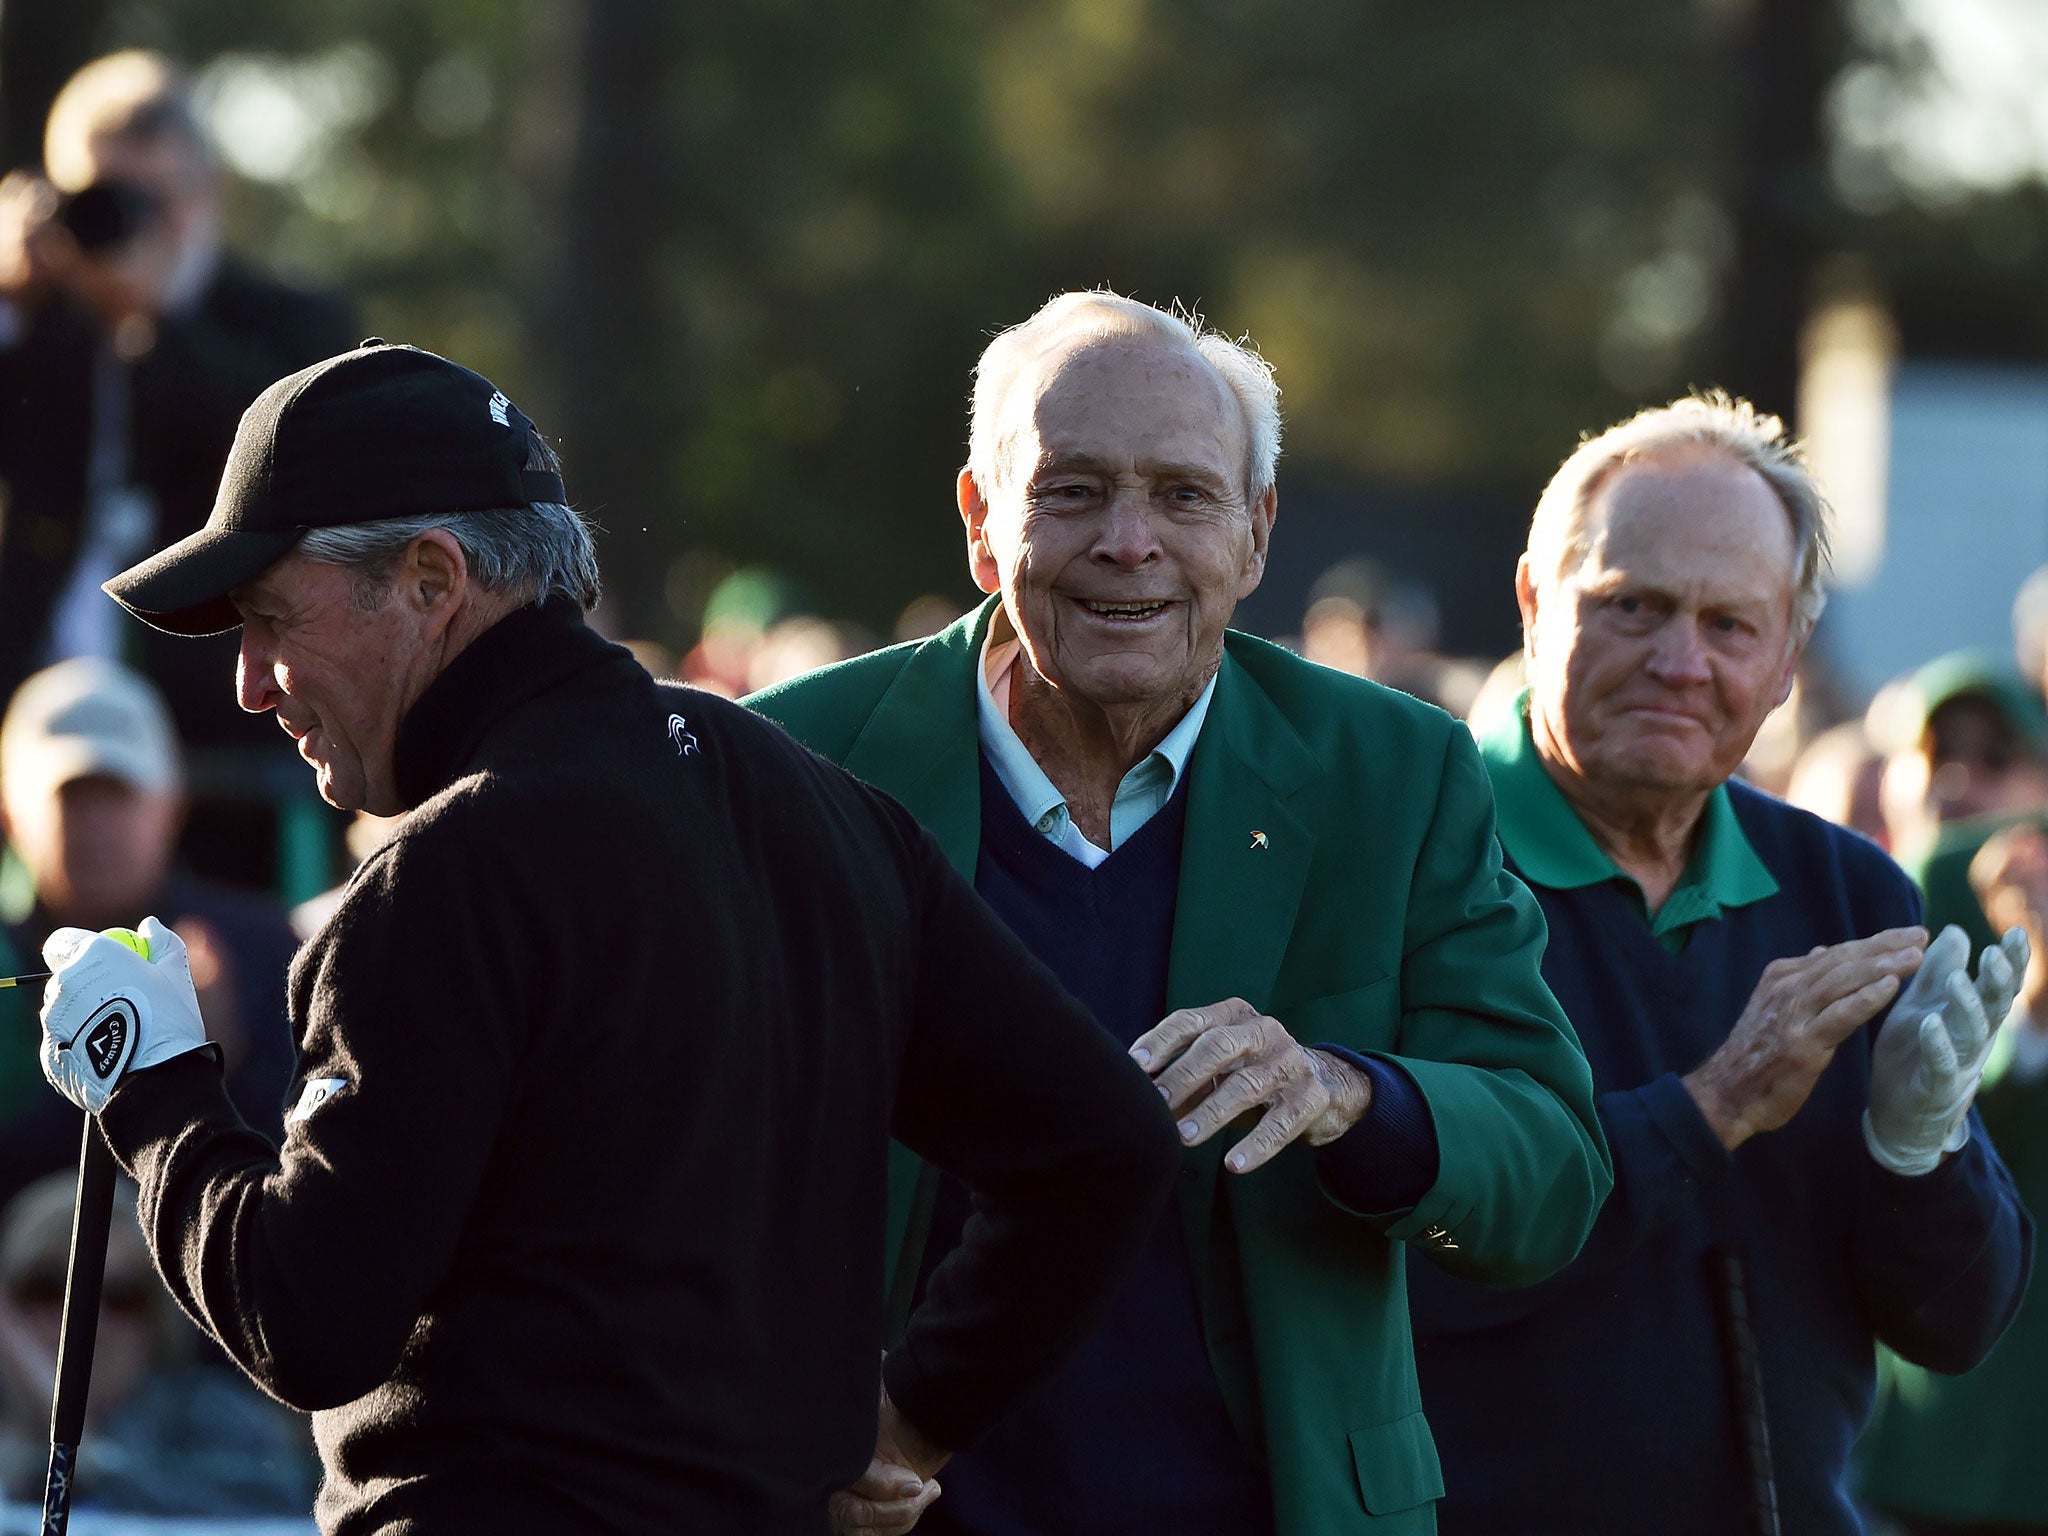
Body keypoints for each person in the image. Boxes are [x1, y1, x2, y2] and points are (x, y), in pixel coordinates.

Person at [29, 341, 1184, 1532]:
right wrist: (908, 1422)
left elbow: (306, 1320)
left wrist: (151, 1086)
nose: (251, 684)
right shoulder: (817, 808)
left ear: (432, 580)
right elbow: (1102, 1143)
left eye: (272, 617)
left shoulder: (451, 874)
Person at [750, 291, 1611, 1535]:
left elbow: (1550, 1169)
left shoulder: (1394, 773)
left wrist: (1352, 1094)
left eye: (1183, 496)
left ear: (1255, 535)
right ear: (982, 524)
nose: (1128, 541)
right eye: (1073, 491)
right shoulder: (798, 764)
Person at [1407, 393, 2033, 1536]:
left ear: (1790, 659)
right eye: (1630, 607)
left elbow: (1950, 1325)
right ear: (1533, 603)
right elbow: (1398, 1268)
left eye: (1729, 625)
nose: (1677, 662)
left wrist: (1920, 1151)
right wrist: (1705, 1112)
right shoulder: (1404, 859)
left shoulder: (1845, 892)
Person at [0, 50, 357, 885]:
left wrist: (153, 315)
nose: (119, 224)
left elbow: (281, 443)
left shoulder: (286, 321)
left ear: (207, 194)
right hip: (33, 729)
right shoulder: (36, 325)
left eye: (146, 201)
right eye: (93, 201)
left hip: (223, 745)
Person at [0, 656, 298, 1205]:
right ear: (10, 814)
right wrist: (162, 1067)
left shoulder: (270, 953)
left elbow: (301, 1174)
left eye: (118, 794)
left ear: (172, 804)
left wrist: (226, 1067)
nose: (96, 824)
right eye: (71, 796)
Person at [0, 1169, 313, 1516]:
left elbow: (270, 1518)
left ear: (159, 1320)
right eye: (46, 1289)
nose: (82, 1319)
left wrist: (77, 1448)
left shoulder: (222, 1422)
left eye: (121, 1296)